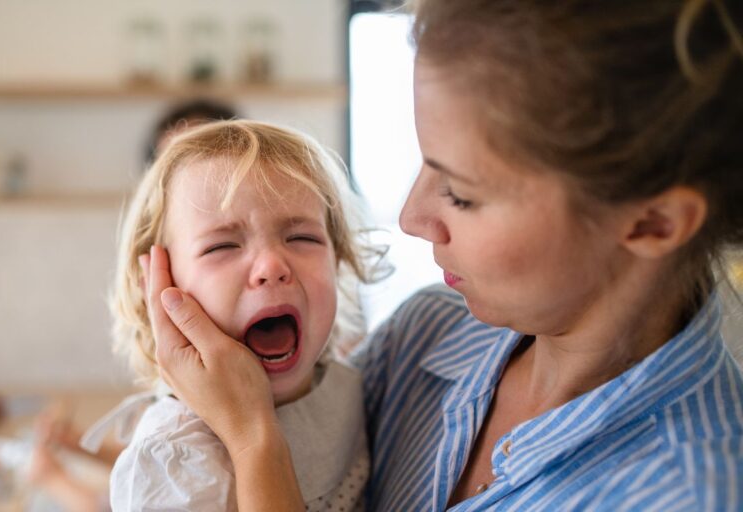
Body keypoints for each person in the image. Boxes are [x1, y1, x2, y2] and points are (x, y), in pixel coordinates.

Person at [141, 0, 743, 510]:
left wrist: (254, 440)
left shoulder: (686, 493)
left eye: (461, 192)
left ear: (652, 221)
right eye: (424, 162)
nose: (411, 216)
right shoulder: (426, 332)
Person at [84, 119, 381, 511]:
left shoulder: (348, 385)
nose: (272, 266)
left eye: (302, 238)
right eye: (222, 246)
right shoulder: (175, 458)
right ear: (158, 286)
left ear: (338, 260)